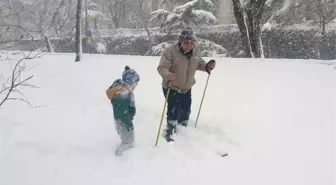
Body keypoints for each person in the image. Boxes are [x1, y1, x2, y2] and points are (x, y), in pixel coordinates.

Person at [157, 27, 216, 142]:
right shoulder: (170, 51)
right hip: (172, 86)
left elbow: (200, 64)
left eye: (191, 42)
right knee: (174, 110)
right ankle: (169, 133)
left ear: (194, 43)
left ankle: (182, 130)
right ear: (180, 41)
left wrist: (207, 66)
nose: (188, 45)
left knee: (185, 110)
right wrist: (167, 74)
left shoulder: (196, 53)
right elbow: (162, 67)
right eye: (185, 42)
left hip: (187, 88)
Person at [106, 66, 140, 155]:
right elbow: (123, 110)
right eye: (136, 82)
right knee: (129, 143)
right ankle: (121, 159)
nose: (136, 85)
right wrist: (128, 122)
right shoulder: (124, 93)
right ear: (131, 81)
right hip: (124, 121)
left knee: (126, 141)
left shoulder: (121, 89)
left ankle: (120, 155)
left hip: (120, 121)